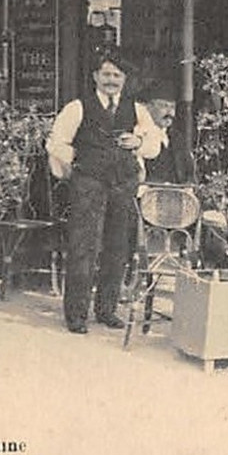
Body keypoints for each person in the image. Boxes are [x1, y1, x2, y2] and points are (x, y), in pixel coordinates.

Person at [46, 49, 163, 333]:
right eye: (106, 74)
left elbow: (154, 144)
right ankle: (76, 314)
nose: (111, 80)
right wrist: (76, 160)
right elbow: (54, 143)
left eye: (117, 75)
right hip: (89, 184)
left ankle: (107, 309)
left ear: (124, 79)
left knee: (118, 247)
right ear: (95, 76)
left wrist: (137, 141)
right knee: (83, 246)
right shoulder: (78, 107)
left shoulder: (137, 110)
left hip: (123, 184)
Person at [138, 86, 194, 184]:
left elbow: (188, 173)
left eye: (172, 107)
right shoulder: (139, 135)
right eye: (164, 106)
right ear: (149, 107)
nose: (169, 112)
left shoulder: (177, 137)